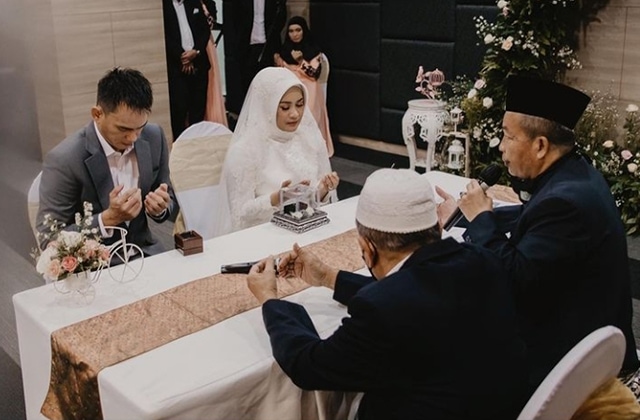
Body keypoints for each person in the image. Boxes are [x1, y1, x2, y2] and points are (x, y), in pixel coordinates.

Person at [246, 168, 529, 420]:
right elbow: (418, 293)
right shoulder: (484, 260)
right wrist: (329, 277)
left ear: (367, 249)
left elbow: (309, 366)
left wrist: (270, 299)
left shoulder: (382, 309)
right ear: (436, 228)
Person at [435, 76, 640, 396]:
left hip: (568, 362)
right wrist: (466, 214)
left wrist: (481, 219)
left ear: (540, 145)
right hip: (583, 336)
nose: (501, 147)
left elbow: (512, 281)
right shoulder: (575, 173)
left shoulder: (565, 203)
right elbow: (530, 218)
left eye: (508, 136)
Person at [36, 67, 175, 256]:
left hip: (146, 253)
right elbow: (49, 238)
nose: (133, 138)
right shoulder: (65, 159)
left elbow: (168, 197)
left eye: (140, 127)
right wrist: (107, 219)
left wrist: (159, 208)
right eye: (123, 129)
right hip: (96, 265)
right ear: (97, 114)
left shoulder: (153, 136)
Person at [213, 67, 339, 236]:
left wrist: (322, 190)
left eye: (300, 105)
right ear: (267, 107)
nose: (295, 114)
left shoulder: (309, 139)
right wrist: (276, 199)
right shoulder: (245, 151)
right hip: (265, 236)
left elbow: (313, 203)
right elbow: (240, 215)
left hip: (308, 231)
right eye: (285, 107)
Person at [275, 16, 333, 156]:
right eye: (291, 31)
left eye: (298, 30)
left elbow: (314, 74)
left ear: (304, 31)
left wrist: (301, 60)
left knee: (307, 112)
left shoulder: (313, 50)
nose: (295, 34)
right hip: (289, 88)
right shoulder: (284, 51)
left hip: (309, 88)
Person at [224, 0, 287, 115]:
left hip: (267, 47)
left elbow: (279, 20)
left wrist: (276, 50)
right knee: (247, 87)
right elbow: (232, 21)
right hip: (245, 48)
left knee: (267, 86)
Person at [163, 0, 214, 140]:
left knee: (198, 111)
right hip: (176, 69)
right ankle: (180, 145)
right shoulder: (163, 6)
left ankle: (197, 144)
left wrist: (196, 52)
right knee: (179, 112)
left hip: (199, 65)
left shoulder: (193, 2)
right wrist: (183, 57)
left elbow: (204, 30)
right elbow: (165, 36)